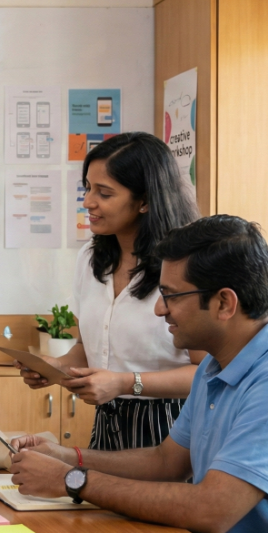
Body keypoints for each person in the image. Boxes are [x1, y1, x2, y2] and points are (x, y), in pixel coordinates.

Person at [9, 215, 268, 533]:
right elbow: (166, 463)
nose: (159, 309)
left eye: (171, 296)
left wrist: (72, 481)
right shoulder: (216, 366)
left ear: (225, 303)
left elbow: (211, 510)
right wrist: (66, 458)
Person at [17, 132, 202, 449]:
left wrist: (125, 383)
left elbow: (206, 374)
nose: (88, 201)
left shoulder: (186, 264)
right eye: (87, 188)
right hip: (108, 424)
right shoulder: (90, 258)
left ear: (144, 200)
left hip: (174, 426)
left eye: (104, 193)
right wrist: (57, 368)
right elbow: (88, 348)